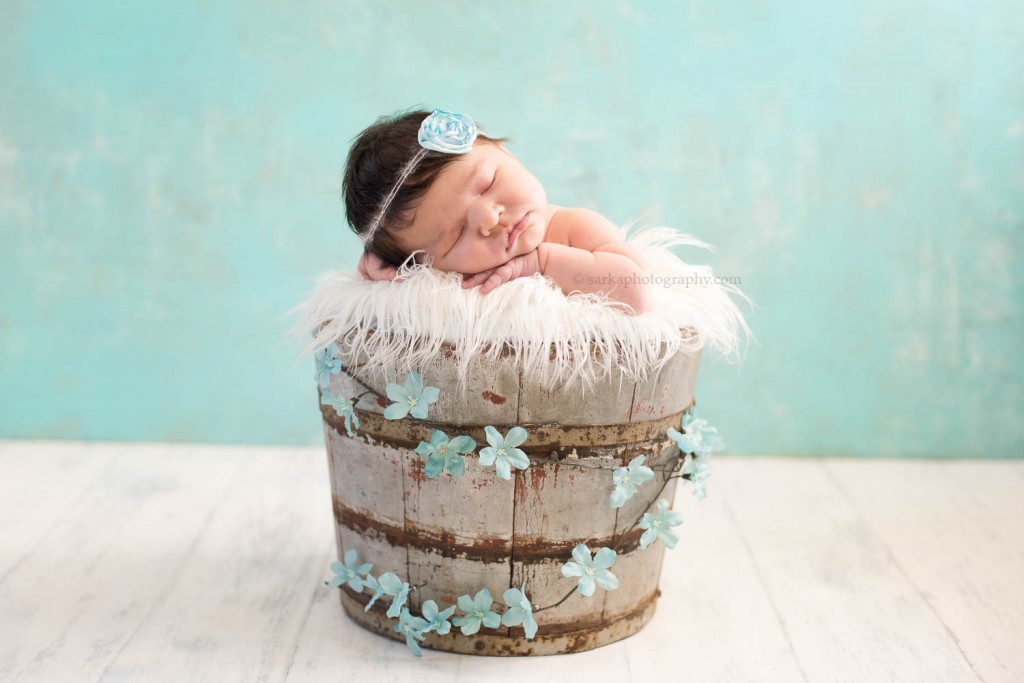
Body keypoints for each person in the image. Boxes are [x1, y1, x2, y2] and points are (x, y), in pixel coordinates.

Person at [346, 108, 652, 315]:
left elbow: (636, 291)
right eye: (457, 235)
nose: (489, 219)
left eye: (486, 184)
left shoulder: (573, 228)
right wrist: (381, 261)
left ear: (506, 152)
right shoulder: (453, 284)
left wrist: (540, 262)